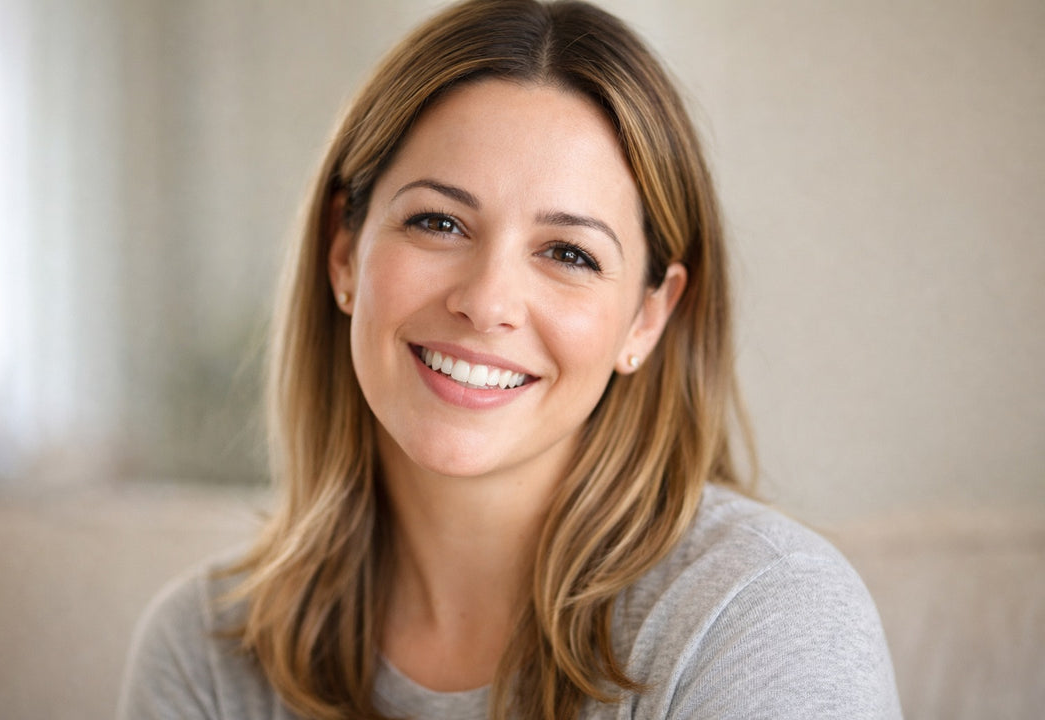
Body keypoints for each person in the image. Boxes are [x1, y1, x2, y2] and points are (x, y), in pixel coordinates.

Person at [117, 1, 902, 718]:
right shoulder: (204, 655)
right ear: (344, 251)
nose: (488, 301)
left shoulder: (762, 615)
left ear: (648, 316)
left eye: (568, 253)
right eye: (439, 223)